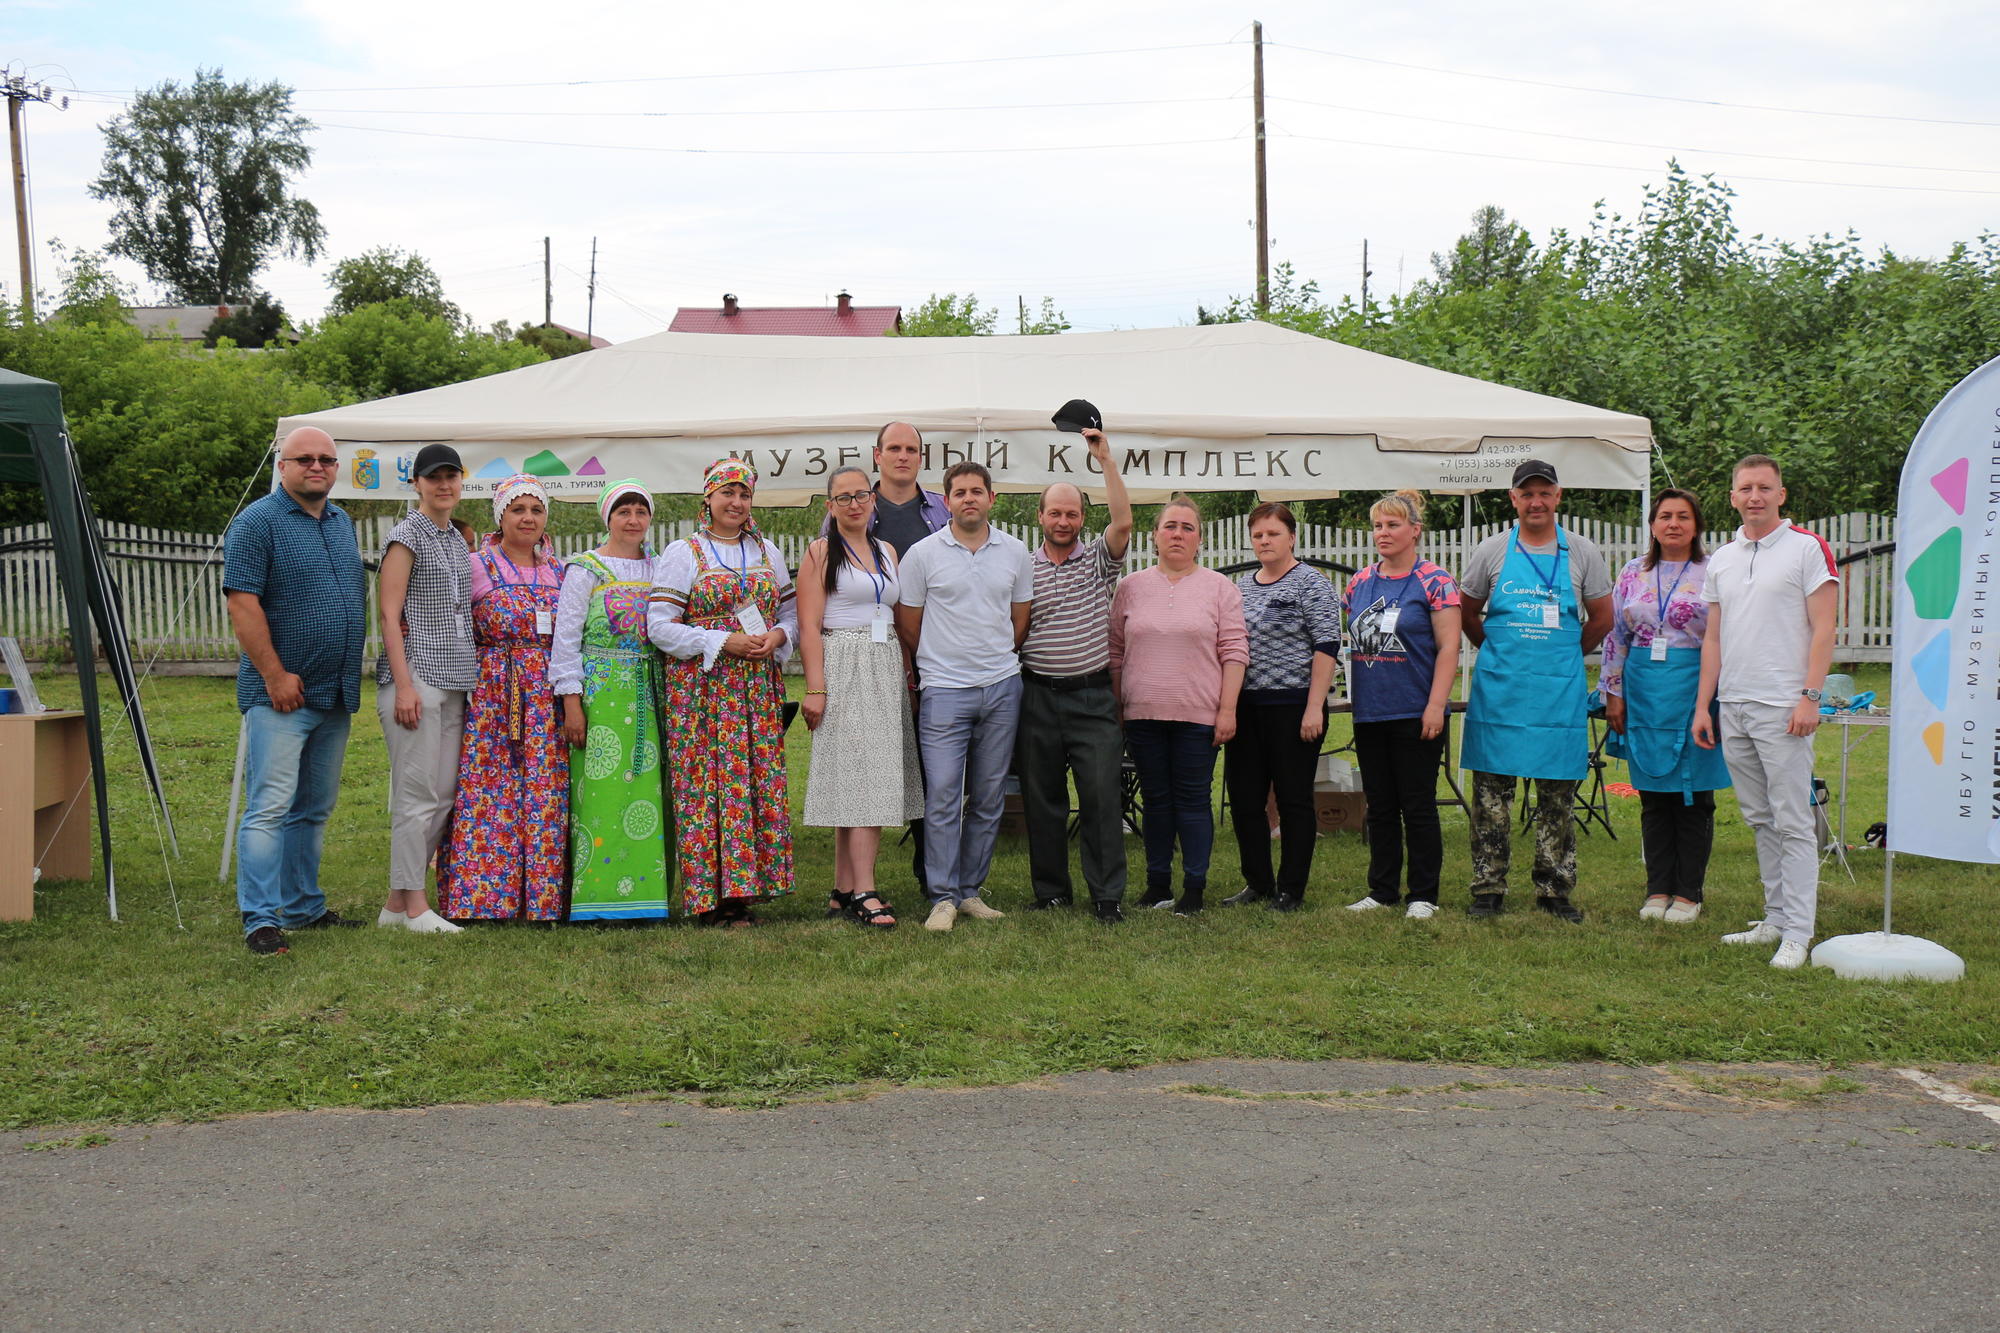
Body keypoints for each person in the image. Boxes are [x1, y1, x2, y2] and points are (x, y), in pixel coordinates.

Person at [222, 427, 369, 954]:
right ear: (281, 466)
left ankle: (303, 907)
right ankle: (260, 919)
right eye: (304, 458)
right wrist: (273, 675)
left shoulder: (339, 522)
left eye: (326, 459)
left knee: (313, 808)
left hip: (334, 695)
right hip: (281, 695)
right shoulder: (256, 523)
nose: (317, 466)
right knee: (270, 807)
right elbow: (243, 604)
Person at [1693, 455, 1838, 969]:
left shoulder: (1806, 549)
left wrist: (1810, 697)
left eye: (1764, 488)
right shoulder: (1723, 559)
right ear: (1732, 497)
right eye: (1745, 488)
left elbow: (1824, 629)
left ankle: (1799, 932)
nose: (1754, 496)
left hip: (1784, 705)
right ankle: (1775, 917)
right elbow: (1713, 635)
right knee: (1759, 818)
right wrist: (1704, 705)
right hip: (1733, 703)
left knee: (1793, 820)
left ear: (1781, 494)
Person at [1458, 459, 1613, 921]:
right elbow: (1468, 612)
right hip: (1500, 691)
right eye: (1527, 493)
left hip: (1558, 693)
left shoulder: (1582, 553)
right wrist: (1500, 652)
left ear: (1558, 497)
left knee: (1557, 795)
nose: (1536, 501)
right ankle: (1488, 887)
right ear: (1513, 499)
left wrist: (1565, 654)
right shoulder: (1492, 550)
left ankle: (1555, 889)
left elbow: (1602, 618)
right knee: (1491, 796)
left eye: (1544, 493)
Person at [649, 457, 798, 924]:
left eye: (744, 494)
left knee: (752, 783)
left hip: (755, 687)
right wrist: (720, 640)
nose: (736, 502)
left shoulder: (767, 552)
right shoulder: (684, 552)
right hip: (704, 690)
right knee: (706, 787)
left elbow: (791, 615)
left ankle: (746, 891)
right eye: (727, 493)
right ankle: (709, 898)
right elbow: (658, 626)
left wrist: (776, 637)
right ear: (708, 499)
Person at [894, 460, 1034, 933]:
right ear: (947, 501)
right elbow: (908, 624)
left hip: (1001, 686)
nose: (969, 498)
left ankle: (971, 891)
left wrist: (992, 658)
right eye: (960, 492)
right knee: (944, 797)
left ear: (991, 498)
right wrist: (942, 661)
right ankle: (942, 898)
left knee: (990, 796)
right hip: (944, 691)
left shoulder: (1016, 553)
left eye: (978, 491)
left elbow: (1019, 620)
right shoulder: (922, 554)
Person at [436, 475, 568, 921]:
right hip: (494, 695)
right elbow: (448, 622)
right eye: (518, 509)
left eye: (536, 509)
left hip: (547, 696)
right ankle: (485, 899)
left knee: (544, 793)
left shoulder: (561, 570)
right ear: (501, 516)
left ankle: (543, 899)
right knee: (492, 790)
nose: (528, 518)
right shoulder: (476, 565)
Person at [1108, 496, 1248, 917]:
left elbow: (1235, 651)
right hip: (1143, 714)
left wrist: (1227, 710)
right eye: (1170, 526)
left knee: (1191, 801)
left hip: (1198, 716)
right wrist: (1118, 708)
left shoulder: (1220, 589)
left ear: (1199, 539)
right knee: (1155, 800)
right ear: (1155, 535)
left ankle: (1194, 887)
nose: (1178, 534)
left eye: (1187, 527)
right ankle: (1157, 884)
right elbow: (1115, 650)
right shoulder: (1131, 586)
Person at [797, 466, 924, 928]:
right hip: (844, 662)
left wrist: (906, 672)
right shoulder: (819, 552)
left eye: (861, 495)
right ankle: (866, 891)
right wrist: (815, 687)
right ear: (830, 506)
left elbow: (893, 614)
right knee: (860, 775)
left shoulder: (888, 550)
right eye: (843, 497)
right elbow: (809, 626)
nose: (854, 504)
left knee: (861, 773)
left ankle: (844, 887)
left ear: (873, 500)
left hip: (884, 663)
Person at [1018, 427, 1134, 924]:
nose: (1062, 521)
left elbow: (1125, 522)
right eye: (1054, 512)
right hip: (1036, 698)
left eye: (1071, 513)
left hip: (1091, 698)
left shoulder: (1098, 562)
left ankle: (1106, 896)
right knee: (1042, 801)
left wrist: (1105, 460)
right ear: (1040, 517)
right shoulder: (1021, 567)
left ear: (1082, 519)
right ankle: (1051, 893)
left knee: (1102, 799)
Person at [1603, 488, 1732, 924]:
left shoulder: (1716, 569)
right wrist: (1613, 691)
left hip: (1697, 686)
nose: (1673, 524)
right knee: (1654, 794)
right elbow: (1615, 635)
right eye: (1664, 516)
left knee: (1694, 794)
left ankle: (1689, 893)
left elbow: (1727, 634)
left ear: (1696, 524)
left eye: (1682, 516)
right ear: (1653, 525)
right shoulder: (1632, 572)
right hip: (1643, 689)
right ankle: (1657, 888)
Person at [552, 479, 675, 922]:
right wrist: (571, 701)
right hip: (602, 692)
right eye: (624, 511)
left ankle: (646, 896)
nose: (633, 520)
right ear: (608, 517)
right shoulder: (585, 569)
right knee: (600, 791)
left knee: (647, 791)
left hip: (650, 690)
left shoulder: (660, 568)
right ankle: (597, 897)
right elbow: (566, 641)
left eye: (641, 511)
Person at [1342, 490, 1462, 920]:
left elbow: (1449, 648)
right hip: (1371, 711)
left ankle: (1423, 894)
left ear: (1415, 530)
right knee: (1380, 803)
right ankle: (1382, 889)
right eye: (1377, 526)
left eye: (1392, 525)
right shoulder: (1359, 582)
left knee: (1418, 804)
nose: (1383, 533)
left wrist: (1436, 705)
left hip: (1417, 711)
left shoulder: (1436, 580)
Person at [373, 442, 476, 936]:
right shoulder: (405, 537)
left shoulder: (457, 540)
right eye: (433, 477)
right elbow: (390, 616)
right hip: (416, 679)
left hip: (455, 679)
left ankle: (397, 903)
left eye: (451, 476)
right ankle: (416, 908)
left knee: (443, 794)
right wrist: (405, 684)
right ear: (416, 483)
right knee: (415, 795)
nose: (443, 484)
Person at [1220, 502, 1341, 914]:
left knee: (1292, 800)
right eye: (1258, 535)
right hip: (1248, 707)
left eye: (1273, 533)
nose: (1265, 541)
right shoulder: (1242, 588)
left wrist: (1314, 708)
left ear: (1291, 537)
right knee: (1245, 798)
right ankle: (1257, 881)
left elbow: (1327, 647)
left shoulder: (1311, 584)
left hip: (1294, 705)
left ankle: (1291, 888)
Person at [868, 421, 949, 898]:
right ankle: (859, 879)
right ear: (877, 455)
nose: (903, 456)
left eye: (911, 449)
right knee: (874, 760)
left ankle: (929, 868)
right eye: (894, 448)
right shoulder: (855, 505)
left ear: (922, 457)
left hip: (932, 650)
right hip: (872, 651)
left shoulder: (940, 508)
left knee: (928, 761)